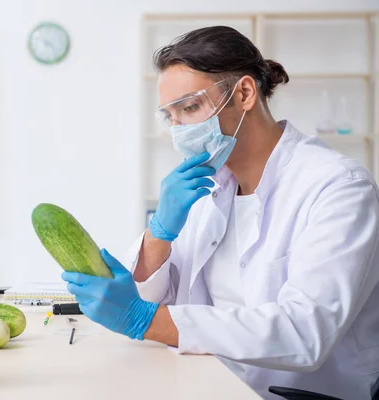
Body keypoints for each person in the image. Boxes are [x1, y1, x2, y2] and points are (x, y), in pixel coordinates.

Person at [62, 26, 379, 399]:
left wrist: (142, 320)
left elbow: (305, 333)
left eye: (190, 106)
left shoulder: (338, 187)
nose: (179, 128)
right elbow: (155, 297)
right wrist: (159, 233)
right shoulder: (207, 189)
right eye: (171, 115)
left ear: (244, 93)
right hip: (211, 382)